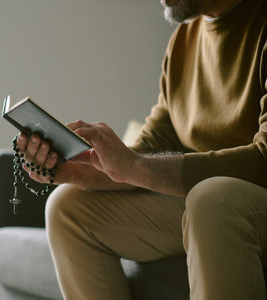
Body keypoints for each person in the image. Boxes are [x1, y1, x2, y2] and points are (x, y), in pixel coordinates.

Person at [15, 0, 267, 299]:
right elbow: (151, 148)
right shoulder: (184, 40)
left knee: (210, 199)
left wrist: (136, 167)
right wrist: (81, 171)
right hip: (205, 207)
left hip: (232, 204)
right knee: (67, 207)